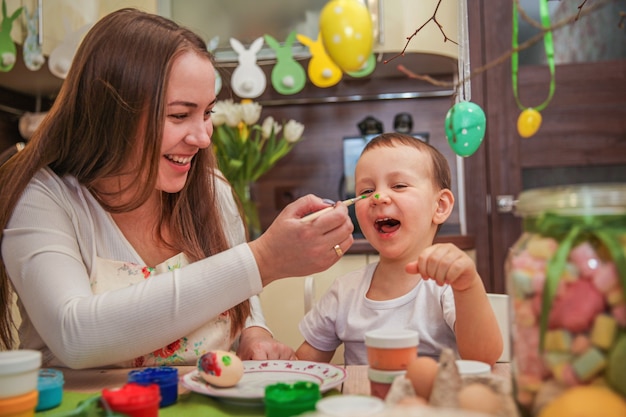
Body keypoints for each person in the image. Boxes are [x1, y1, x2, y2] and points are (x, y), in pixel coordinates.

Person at [0, 9, 354, 369]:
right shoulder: (42, 198)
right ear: (113, 112)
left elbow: (235, 296)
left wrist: (253, 332)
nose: (202, 138)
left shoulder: (212, 192)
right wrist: (263, 260)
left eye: (206, 114)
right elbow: (75, 337)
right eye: (179, 115)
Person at [296, 133, 503, 366]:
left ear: (440, 206)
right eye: (365, 191)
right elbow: (301, 366)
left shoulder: (447, 289)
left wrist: (468, 285)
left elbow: (484, 358)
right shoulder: (344, 292)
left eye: (399, 185)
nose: (378, 197)